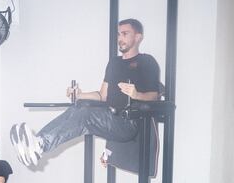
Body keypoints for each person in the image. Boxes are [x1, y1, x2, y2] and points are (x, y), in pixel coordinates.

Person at [10, 18, 160, 166]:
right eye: (118, 34)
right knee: (79, 105)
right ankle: (38, 143)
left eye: (125, 34)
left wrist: (136, 95)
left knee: (85, 114)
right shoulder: (114, 62)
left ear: (138, 37)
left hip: (128, 123)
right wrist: (79, 95)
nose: (120, 38)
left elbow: (154, 95)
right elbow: (102, 95)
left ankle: (40, 145)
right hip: (109, 115)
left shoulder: (147, 62)